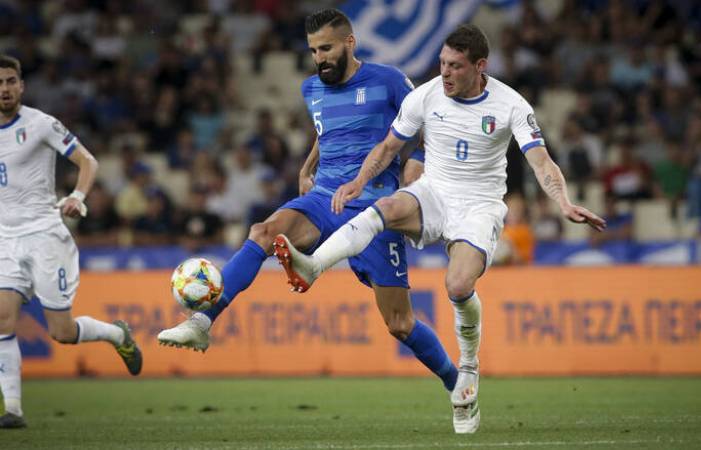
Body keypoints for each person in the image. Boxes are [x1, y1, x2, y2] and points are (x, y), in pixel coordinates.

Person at [272, 25, 606, 434]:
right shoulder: (426, 95)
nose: (445, 73)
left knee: (458, 286)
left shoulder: (511, 105)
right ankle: (313, 266)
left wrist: (563, 202)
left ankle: (468, 367)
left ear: (480, 67)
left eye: (455, 66)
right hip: (433, 192)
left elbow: (541, 162)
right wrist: (360, 181)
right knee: (384, 207)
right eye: (442, 63)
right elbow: (389, 147)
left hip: (479, 206)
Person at [157, 8, 459, 400]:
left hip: (375, 210)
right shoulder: (311, 89)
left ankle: (457, 381)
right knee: (263, 232)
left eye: (327, 49)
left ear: (350, 43)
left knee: (400, 323)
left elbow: (429, 124)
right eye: (314, 50)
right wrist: (308, 165)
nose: (320, 58)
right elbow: (327, 131)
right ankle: (202, 321)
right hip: (324, 199)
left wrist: (416, 163)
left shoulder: (389, 81)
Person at [0, 55, 142, 429]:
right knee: (2, 318)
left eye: (11, 81)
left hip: (44, 235)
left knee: (61, 332)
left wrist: (77, 196)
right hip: (4, 239)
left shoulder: (40, 124)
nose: (5, 89)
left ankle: (117, 334)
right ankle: (12, 409)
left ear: (21, 86)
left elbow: (88, 161)